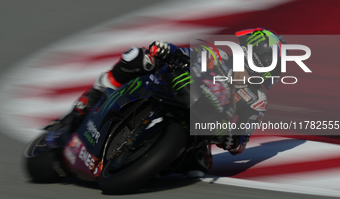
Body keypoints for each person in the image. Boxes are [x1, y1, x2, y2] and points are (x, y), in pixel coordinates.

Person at [51, 28, 286, 177]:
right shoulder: (218, 55)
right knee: (137, 57)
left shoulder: (257, 101)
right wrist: (166, 50)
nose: (275, 69)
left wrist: (230, 140)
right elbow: (183, 54)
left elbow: (241, 140)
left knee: (198, 167)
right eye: (272, 61)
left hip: (203, 124)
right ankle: (94, 95)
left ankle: (146, 160)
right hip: (174, 89)